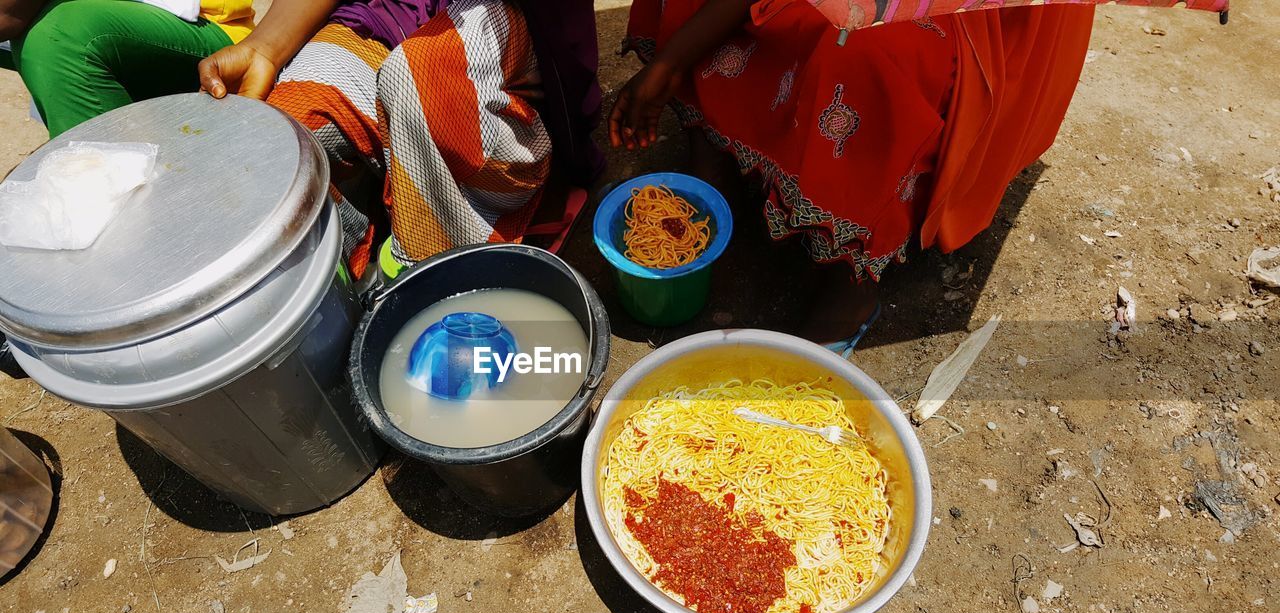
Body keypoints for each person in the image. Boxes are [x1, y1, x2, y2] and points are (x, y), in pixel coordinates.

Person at [611, 0, 1095, 351]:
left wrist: (676, 59)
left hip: (971, 14)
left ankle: (850, 287)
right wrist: (673, 61)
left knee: (865, 57)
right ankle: (713, 142)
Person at [199, 0, 604, 280]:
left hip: (512, 16)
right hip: (390, 14)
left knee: (418, 81)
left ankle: (444, 281)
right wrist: (262, 49)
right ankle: (345, 290)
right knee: (291, 137)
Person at [0, 0, 253, 137]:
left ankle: (121, 211)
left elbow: (8, 14)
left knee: (55, 36)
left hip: (208, 28)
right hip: (112, 18)